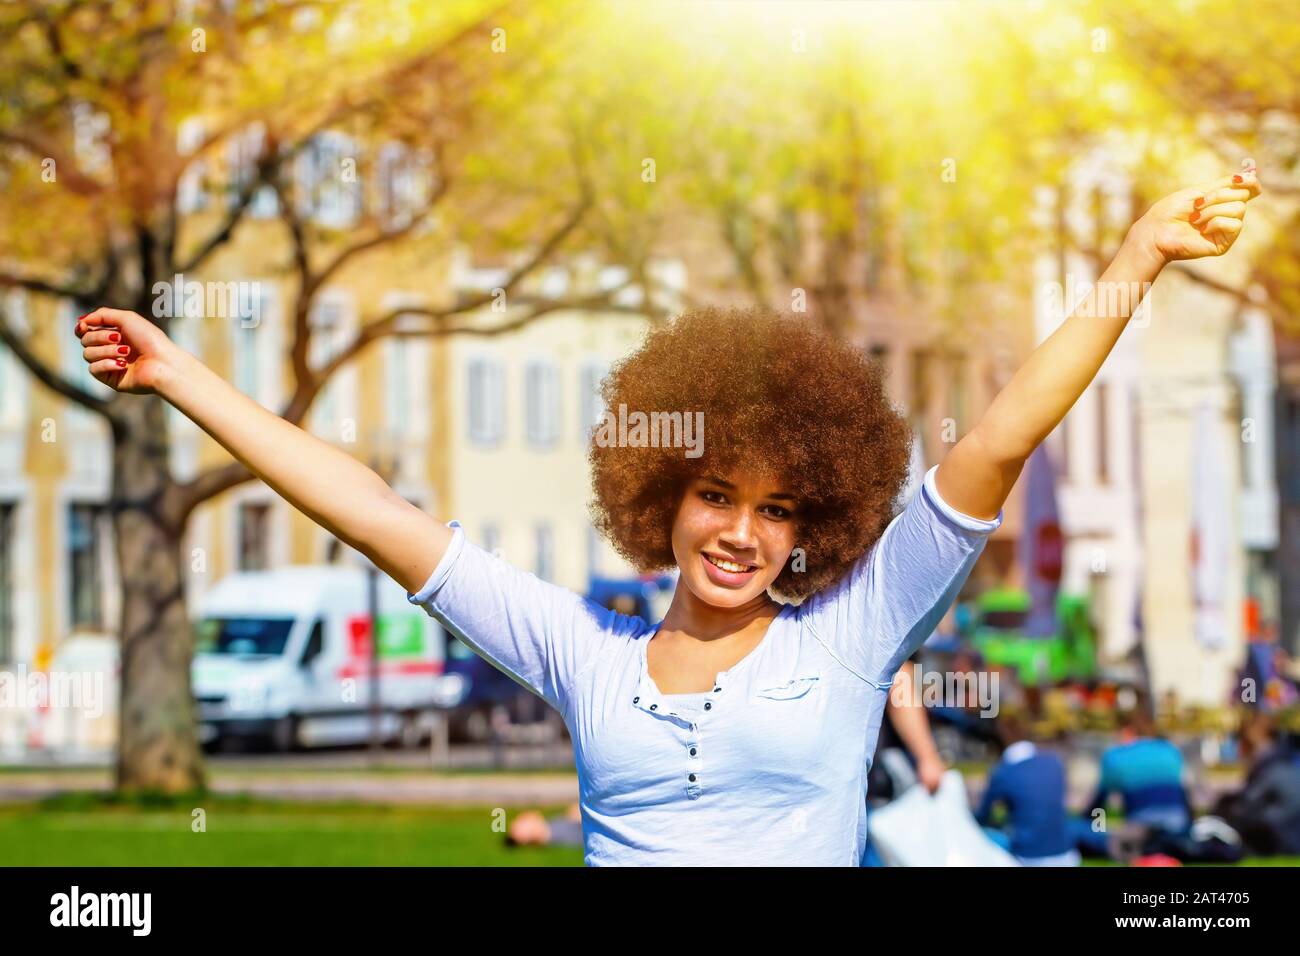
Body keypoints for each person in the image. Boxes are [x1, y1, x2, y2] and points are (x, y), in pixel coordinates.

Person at [73, 167, 1261, 865]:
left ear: (811, 531)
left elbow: (998, 439)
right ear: (664, 500)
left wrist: (1136, 256)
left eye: (777, 508)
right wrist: (183, 376)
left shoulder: (847, 641)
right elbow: (373, 510)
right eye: (715, 493)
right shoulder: (581, 655)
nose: (742, 530)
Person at [975, 713, 1080, 866]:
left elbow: (983, 816)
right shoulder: (1054, 763)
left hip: (1028, 858)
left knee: (989, 835)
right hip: (1067, 855)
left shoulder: (1004, 772)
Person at [1087, 706, 1193, 835]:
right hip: (1177, 826)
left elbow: (1099, 806)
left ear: (1127, 731)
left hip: (1140, 829)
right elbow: (1184, 796)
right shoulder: (1171, 751)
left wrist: (1096, 831)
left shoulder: (1115, 756)